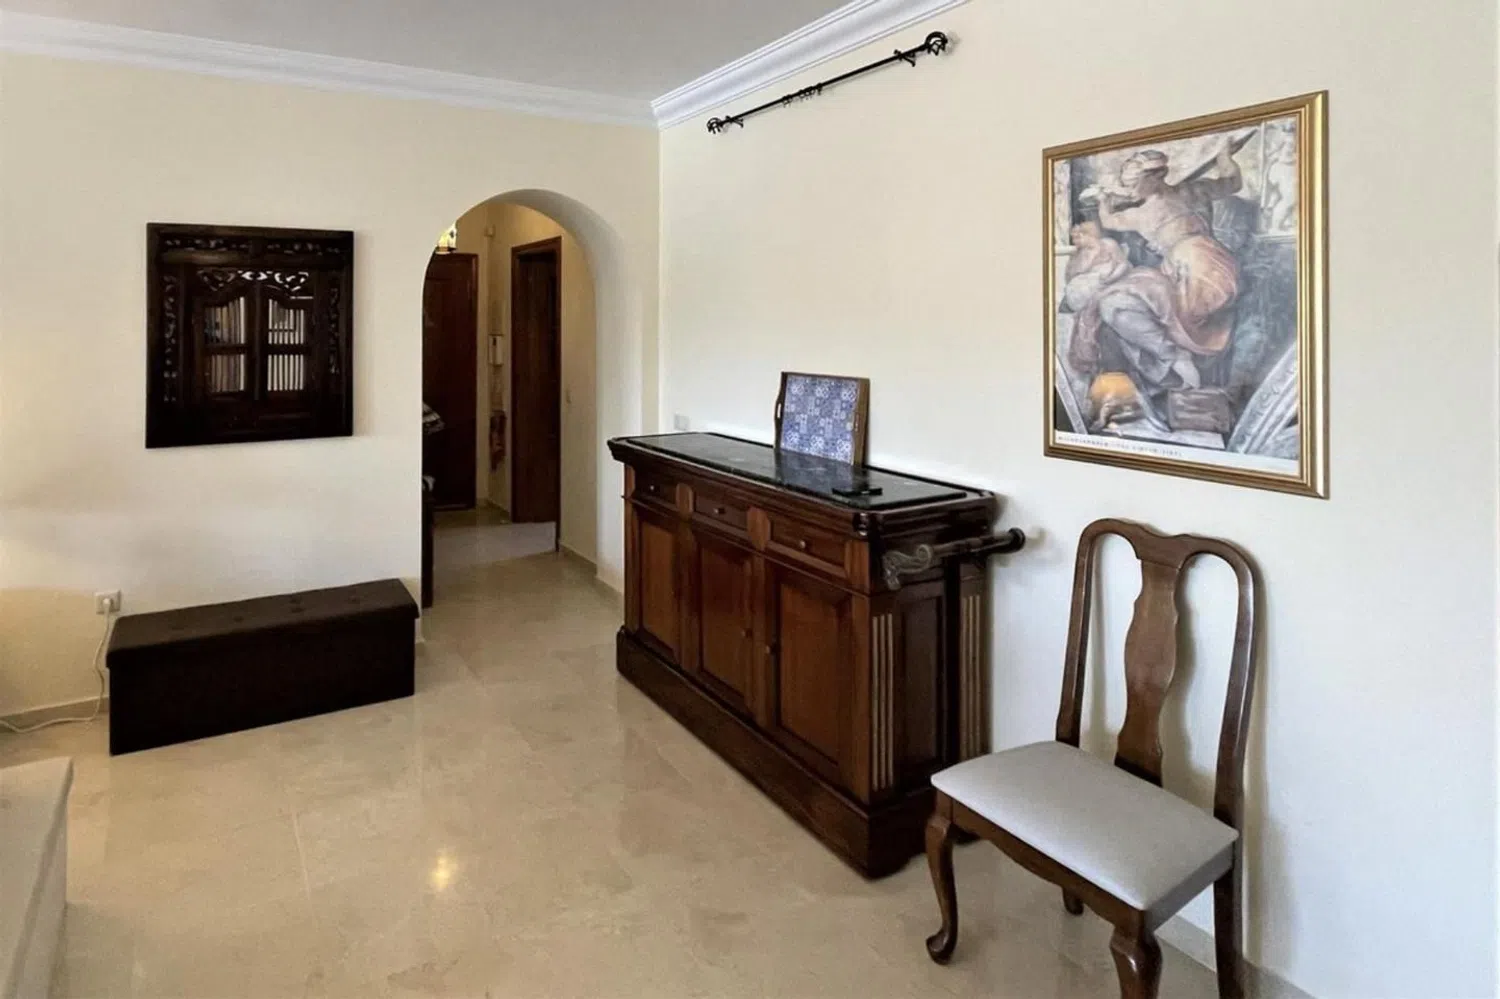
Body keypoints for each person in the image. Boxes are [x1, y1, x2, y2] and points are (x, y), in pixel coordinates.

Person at [1087, 143, 1243, 392]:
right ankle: (1175, 358)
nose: (1130, 190)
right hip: (1200, 265)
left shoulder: (1148, 210)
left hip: (1199, 268)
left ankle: (1176, 357)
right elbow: (1232, 182)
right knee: (1116, 303)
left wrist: (1103, 200)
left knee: (1121, 305)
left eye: (1133, 184)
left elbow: (1108, 220)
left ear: (1153, 178)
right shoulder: (1190, 191)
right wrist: (1225, 158)